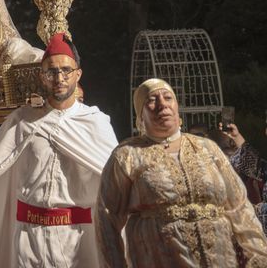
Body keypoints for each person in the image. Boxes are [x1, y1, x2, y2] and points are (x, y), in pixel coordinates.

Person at [0, 33, 118, 267]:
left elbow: (116, 178)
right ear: (42, 76)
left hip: (76, 237)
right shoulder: (22, 119)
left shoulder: (95, 122)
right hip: (28, 235)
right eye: (51, 71)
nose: (59, 77)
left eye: (66, 70)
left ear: (78, 74)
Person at [96, 78, 267, 267]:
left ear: (177, 107)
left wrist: (258, 258)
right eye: (151, 100)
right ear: (140, 115)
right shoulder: (126, 155)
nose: (162, 104)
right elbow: (107, 219)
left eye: (168, 97)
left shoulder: (207, 148)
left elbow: (240, 207)